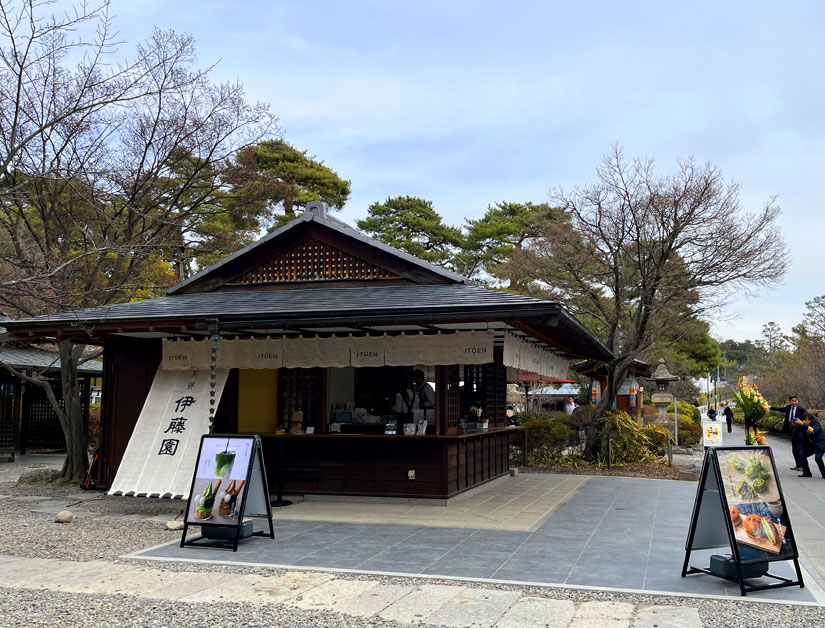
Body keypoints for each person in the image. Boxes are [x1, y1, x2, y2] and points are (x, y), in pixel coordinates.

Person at [770, 396, 807, 471]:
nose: (794, 402)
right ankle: (798, 464)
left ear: (798, 401)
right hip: (791, 429)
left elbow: (806, 418)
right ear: (790, 401)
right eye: (792, 401)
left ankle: (802, 465)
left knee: (799, 448)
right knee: (794, 448)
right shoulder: (788, 408)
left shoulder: (802, 410)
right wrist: (769, 407)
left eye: (795, 401)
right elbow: (779, 409)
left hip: (799, 430)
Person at [798, 412, 825, 478]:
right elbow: (800, 430)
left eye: (804, 420)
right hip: (812, 444)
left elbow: (813, 430)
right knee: (802, 455)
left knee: (818, 458)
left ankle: (824, 474)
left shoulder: (816, 423)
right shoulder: (806, 423)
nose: (803, 422)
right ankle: (806, 472)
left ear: (807, 419)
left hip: (820, 444)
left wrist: (802, 424)